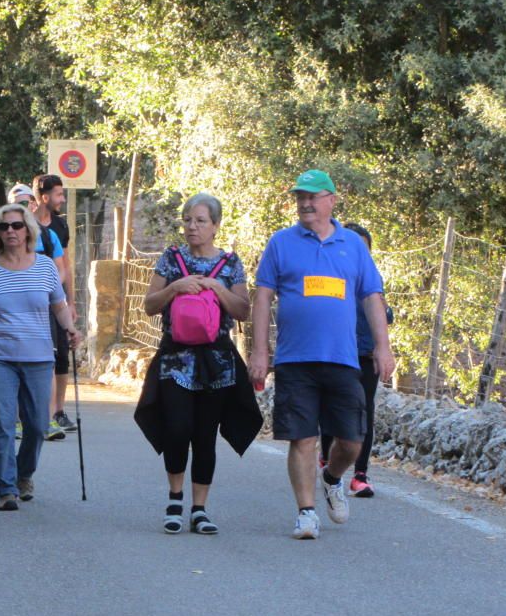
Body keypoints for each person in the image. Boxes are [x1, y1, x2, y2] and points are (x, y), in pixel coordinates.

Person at [250, 169, 395, 540]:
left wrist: (383, 347)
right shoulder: (281, 243)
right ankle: (306, 512)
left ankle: (331, 477)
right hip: (295, 359)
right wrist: (259, 350)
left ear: (332, 199)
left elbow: (372, 297)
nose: (306, 203)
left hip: (343, 358)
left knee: (351, 440)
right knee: (302, 437)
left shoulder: (353, 245)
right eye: (301, 196)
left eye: (313, 197)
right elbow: (263, 296)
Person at [135, 193, 263, 535]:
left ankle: (199, 508)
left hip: (217, 360)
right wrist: (177, 287)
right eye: (188, 220)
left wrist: (214, 288)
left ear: (216, 226)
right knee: (177, 429)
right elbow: (149, 305)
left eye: (201, 221)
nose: (192, 227)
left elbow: (242, 311)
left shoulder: (231, 264)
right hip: (175, 358)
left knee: (205, 435)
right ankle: (174, 500)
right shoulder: (170, 259)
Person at [0, 203, 81, 510]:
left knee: (37, 425)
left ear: (28, 229)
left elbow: (58, 304)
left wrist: (70, 328)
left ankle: (23, 474)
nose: (11, 231)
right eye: (4, 227)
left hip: (39, 357)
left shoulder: (44, 267)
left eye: (16, 225)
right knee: (3, 424)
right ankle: (7, 488)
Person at [319, 223, 394, 497]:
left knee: (365, 412)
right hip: (335, 354)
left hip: (365, 353)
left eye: (365, 249)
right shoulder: (331, 276)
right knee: (330, 409)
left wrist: (382, 345)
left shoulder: (374, 279)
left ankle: (360, 475)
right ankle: (326, 461)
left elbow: (384, 316)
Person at [0, 182, 67, 441]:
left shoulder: (48, 236)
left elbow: (61, 269)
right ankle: (19, 420)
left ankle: (47, 418)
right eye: (18, 204)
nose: (25, 207)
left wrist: (52, 295)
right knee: (13, 370)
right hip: (9, 321)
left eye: (27, 202)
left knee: (49, 362)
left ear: (34, 203)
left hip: (41, 312)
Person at [32, 174, 78, 436]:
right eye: (59, 195)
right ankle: (40, 414)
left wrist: (70, 301)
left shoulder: (60, 227)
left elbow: (66, 266)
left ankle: (57, 411)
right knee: (42, 356)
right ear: (45, 196)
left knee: (61, 355)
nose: (63, 199)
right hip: (32, 303)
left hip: (56, 300)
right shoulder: (23, 225)